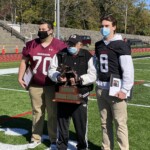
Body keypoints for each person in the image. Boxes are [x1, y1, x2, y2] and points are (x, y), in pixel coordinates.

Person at [18, 19, 67, 149]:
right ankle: (35, 137)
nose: (40, 32)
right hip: (35, 84)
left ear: (50, 30)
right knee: (37, 112)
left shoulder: (60, 45)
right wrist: (20, 77)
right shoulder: (31, 44)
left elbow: (64, 64)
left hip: (52, 85)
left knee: (52, 113)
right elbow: (24, 61)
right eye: (39, 29)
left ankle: (53, 139)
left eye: (43, 29)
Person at [48, 34, 96, 150]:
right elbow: (51, 70)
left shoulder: (87, 55)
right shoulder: (60, 54)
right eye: (69, 43)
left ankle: (82, 146)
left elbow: (93, 75)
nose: (70, 46)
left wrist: (80, 79)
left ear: (80, 45)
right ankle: (62, 146)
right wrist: (58, 77)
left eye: (73, 44)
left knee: (80, 124)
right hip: (63, 93)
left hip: (80, 94)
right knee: (62, 124)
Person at [95, 15, 134, 150]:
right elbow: (97, 65)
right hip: (101, 87)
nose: (103, 28)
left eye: (107, 26)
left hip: (117, 90)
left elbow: (128, 69)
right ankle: (106, 148)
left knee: (120, 123)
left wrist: (125, 90)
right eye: (102, 26)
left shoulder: (121, 45)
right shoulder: (98, 45)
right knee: (104, 123)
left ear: (114, 27)